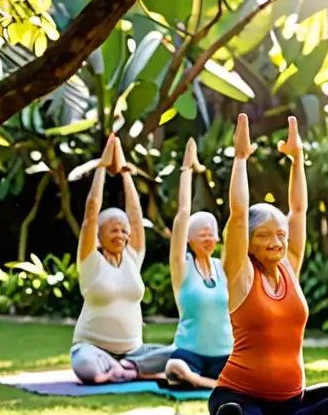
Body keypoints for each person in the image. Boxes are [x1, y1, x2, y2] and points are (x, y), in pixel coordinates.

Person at [209, 113, 328, 415]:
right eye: (264, 236)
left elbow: (298, 210)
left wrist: (298, 159)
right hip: (241, 394)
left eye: (280, 235)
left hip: (290, 399)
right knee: (234, 414)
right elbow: (237, 214)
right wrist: (240, 159)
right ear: (248, 241)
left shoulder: (290, 266)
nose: (277, 242)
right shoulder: (240, 272)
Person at [71, 134, 173, 384]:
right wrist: (103, 167)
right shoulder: (90, 261)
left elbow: (136, 215)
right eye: (113, 230)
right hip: (92, 348)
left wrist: (126, 172)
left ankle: (126, 368)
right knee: (86, 366)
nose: (120, 234)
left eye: (123, 230)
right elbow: (91, 212)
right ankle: (123, 371)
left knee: (180, 354)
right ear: (99, 235)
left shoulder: (133, 256)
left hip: (134, 351)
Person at [164, 138, 233, 389]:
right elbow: (183, 213)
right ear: (190, 239)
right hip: (189, 354)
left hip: (224, 354)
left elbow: (237, 218)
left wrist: (240, 159)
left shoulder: (223, 267)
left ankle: (205, 383)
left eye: (211, 233)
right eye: (201, 233)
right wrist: (186, 170)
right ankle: (209, 383)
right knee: (175, 367)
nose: (208, 238)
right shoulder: (181, 267)